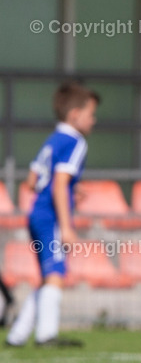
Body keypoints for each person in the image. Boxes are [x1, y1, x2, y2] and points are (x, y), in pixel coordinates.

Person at [5, 82, 99, 348]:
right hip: (51, 218)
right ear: (75, 115)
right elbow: (58, 183)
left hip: (36, 214)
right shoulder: (75, 141)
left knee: (48, 277)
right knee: (56, 273)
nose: (94, 120)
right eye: (91, 114)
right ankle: (46, 335)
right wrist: (67, 226)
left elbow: (32, 181)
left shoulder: (53, 139)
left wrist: (73, 188)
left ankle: (17, 335)